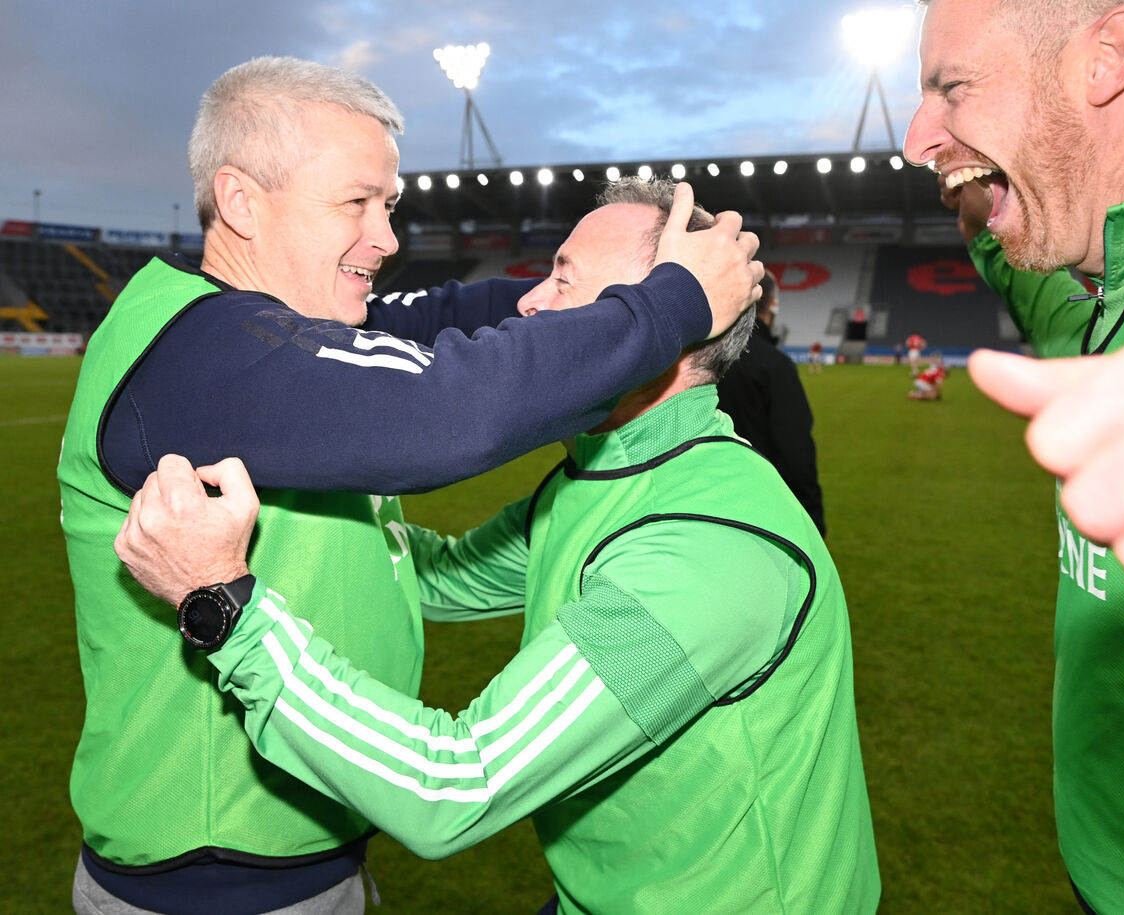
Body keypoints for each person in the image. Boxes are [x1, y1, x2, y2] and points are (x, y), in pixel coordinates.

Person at [58, 58, 761, 915]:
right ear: (241, 200)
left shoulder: (279, 323)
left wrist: (583, 284)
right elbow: (447, 411)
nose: (386, 236)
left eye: (387, 204)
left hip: (293, 848)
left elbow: (454, 315)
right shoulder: (199, 357)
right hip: (213, 882)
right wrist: (671, 302)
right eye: (355, 202)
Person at [114, 178, 881, 915]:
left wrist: (223, 600)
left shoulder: (705, 554)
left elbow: (453, 784)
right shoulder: (606, 472)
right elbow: (437, 575)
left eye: (566, 280)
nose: (531, 300)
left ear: (673, 331)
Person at [906, 1, 1124, 910]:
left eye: (952, 87)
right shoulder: (1110, 275)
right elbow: (1030, 288)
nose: (919, 138)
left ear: (1106, 55)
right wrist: (986, 214)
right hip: (1109, 865)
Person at [717, 269, 826, 535]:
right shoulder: (774, 365)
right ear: (773, 303)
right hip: (764, 508)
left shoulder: (698, 360)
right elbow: (794, 449)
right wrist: (813, 520)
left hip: (711, 499)